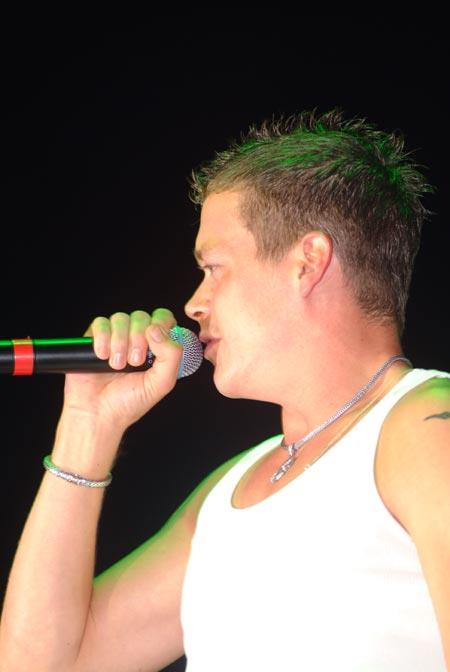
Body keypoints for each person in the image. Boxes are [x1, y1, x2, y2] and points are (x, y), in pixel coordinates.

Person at [0, 108, 449, 672]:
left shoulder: (425, 429)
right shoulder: (229, 489)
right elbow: (43, 665)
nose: (194, 304)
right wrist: (87, 427)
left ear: (307, 263)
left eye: (213, 267)